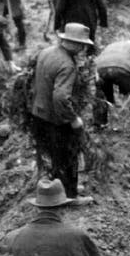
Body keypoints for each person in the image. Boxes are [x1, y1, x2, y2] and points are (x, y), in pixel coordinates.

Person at [31, 23, 94, 201]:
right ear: (71, 42)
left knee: (56, 156)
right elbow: (60, 97)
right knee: (68, 156)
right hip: (55, 118)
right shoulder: (67, 65)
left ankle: (61, 187)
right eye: (81, 45)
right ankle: (70, 196)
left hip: (39, 113)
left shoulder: (47, 52)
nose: (83, 49)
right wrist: (73, 118)